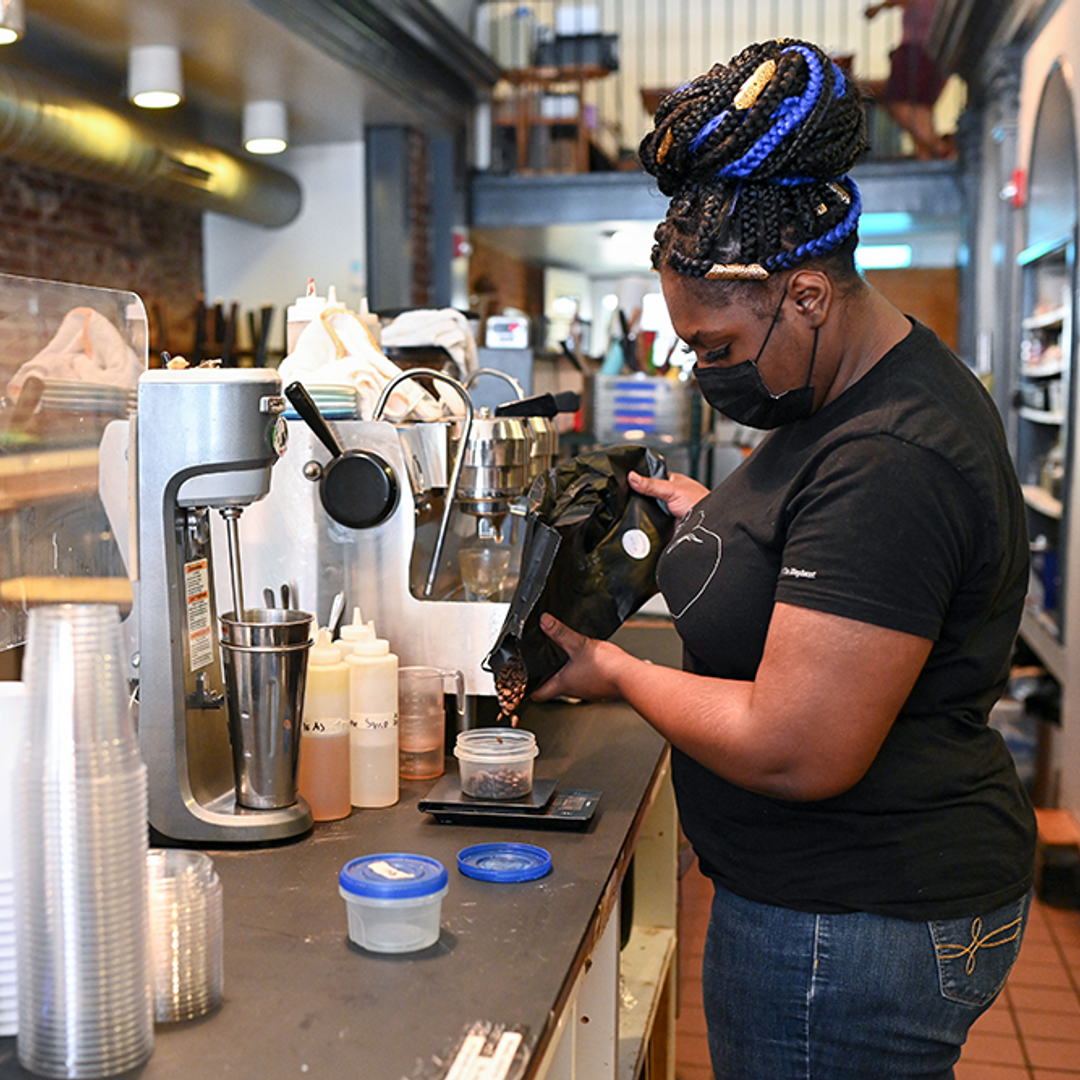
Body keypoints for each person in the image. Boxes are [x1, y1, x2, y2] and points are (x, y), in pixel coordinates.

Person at [533, 38, 1036, 1080]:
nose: (706, 370)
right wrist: (725, 518)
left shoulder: (893, 453)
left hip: (853, 923)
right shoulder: (865, 385)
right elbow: (837, 543)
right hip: (844, 904)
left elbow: (800, 746)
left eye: (716, 347)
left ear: (803, 294)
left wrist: (616, 669)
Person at [864, 0, 952, 158]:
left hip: (917, 49)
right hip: (936, 51)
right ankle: (928, 154)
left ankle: (940, 148)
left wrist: (879, 8)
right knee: (920, 107)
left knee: (899, 102)